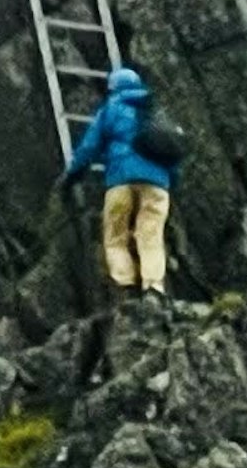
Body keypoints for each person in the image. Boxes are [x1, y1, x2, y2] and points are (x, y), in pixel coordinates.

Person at [63, 61, 180, 294]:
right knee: (151, 234)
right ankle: (154, 286)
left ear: (113, 88)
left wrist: (72, 174)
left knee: (115, 235)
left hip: (121, 180)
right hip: (157, 184)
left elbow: (89, 147)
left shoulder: (110, 109)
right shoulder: (155, 110)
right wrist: (170, 181)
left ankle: (125, 283)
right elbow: (173, 152)